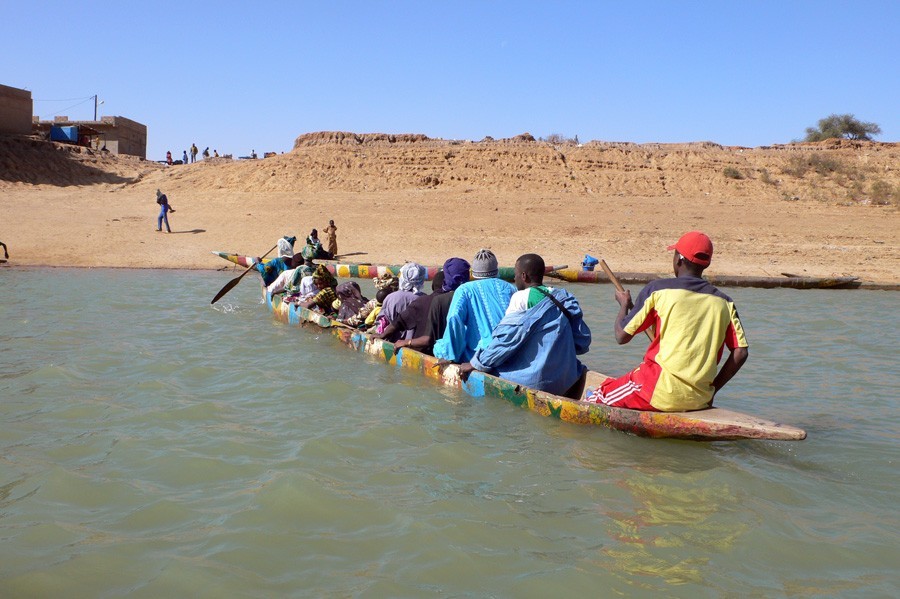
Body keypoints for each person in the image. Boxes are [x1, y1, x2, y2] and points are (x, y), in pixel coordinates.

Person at [585, 231, 749, 412]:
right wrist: (712, 391)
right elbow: (740, 352)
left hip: (656, 390)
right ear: (706, 264)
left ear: (678, 259)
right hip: (699, 399)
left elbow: (621, 336)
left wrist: (623, 305)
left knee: (597, 396)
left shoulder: (657, 290)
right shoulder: (725, 302)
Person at [460, 254, 592, 398]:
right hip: (567, 379)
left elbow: (505, 341)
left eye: (515, 275)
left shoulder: (520, 298)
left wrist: (476, 363)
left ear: (524, 276)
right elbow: (582, 342)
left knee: (494, 368)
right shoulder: (565, 297)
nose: (514, 279)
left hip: (536, 381)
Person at [432, 249, 514, 363]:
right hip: (510, 353)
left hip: (479, 355)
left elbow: (454, 318)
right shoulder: (511, 288)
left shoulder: (464, 290)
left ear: (473, 272)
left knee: (439, 347)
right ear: (496, 269)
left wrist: (449, 355)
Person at [393, 257, 470, 353]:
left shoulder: (436, 301)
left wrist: (406, 342)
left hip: (437, 353)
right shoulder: (471, 297)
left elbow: (427, 339)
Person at [376, 263, 427, 341]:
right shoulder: (425, 299)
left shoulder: (390, 297)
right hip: (415, 345)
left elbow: (382, 323)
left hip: (393, 342)